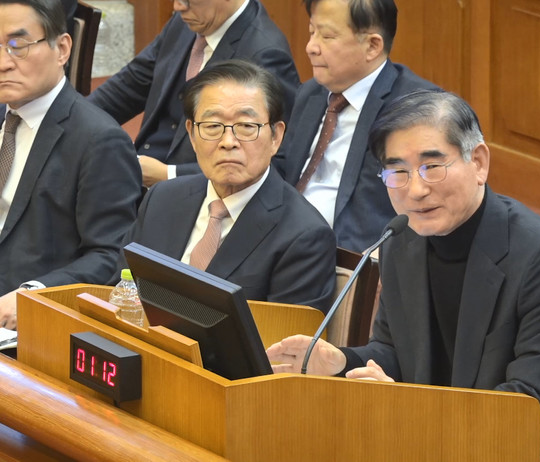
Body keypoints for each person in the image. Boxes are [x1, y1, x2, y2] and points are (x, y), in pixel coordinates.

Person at [267, 90, 540, 461]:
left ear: (479, 162)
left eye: (432, 167)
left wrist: (405, 410)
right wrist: (342, 363)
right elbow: (394, 351)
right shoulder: (401, 239)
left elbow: (526, 407)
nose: (416, 190)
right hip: (448, 443)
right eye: (398, 172)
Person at [116, 60, 336, 314]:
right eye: (212, 127)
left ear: (276, 137)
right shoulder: (162, 199)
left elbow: (282, 336)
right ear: (192, 135)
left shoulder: (304, 236)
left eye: (246, 127)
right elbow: (119, 291)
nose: (228, 142)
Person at [0, 0, 141, 329]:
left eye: (17, 46)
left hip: (30, 322)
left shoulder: (99, 140)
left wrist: (33, 294)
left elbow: (112, 256)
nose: (3, 63)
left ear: (62, 49)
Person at [272, 0, 438, 253]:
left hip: (345, 258)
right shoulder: (311, 93)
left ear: (372, 46)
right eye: (311, 32)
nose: (310, 47)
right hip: (283, 243)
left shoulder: (415, 110)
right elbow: (283, 169)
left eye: (327, 36)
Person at [88, 0, 300, 188]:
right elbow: (131, 83)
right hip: (138, 172)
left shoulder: (266, 54)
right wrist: (78, 120)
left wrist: (169, 175)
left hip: (194, 196)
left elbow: (272, 162)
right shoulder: (188, 21)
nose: (178, 6)